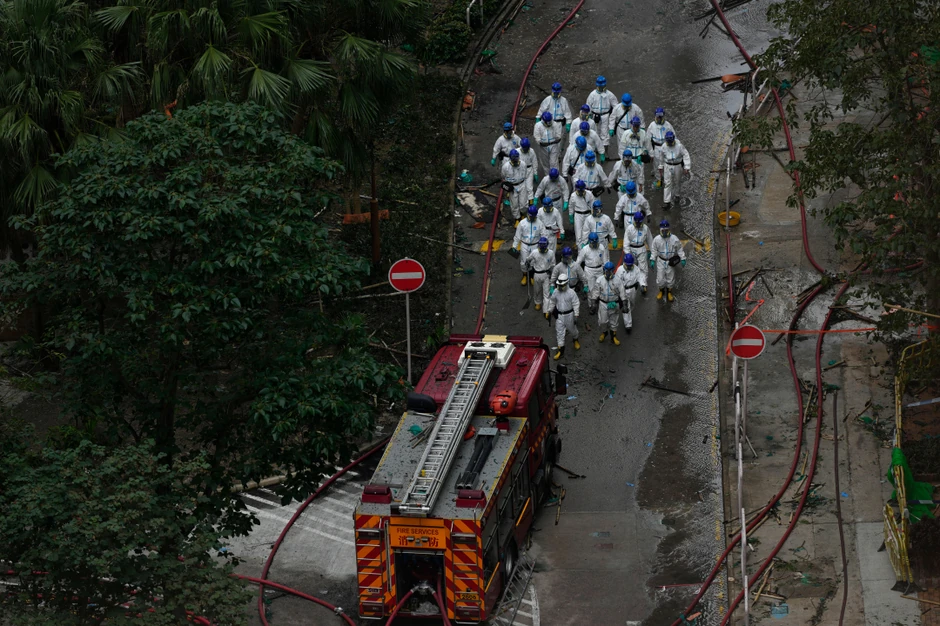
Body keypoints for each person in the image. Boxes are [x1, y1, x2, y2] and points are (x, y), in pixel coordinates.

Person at [591, 261, 627, 345]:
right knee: (603, 321)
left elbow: (622, 292)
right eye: (606, 271)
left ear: (613, 271)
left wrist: (624, 305)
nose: (607, 273)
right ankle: (604, 332)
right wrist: (593, 303)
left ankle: (613, 336)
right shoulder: (600, 280)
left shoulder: (618, 280)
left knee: (614, 321)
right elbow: (596, 292)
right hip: (603, 304)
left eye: (609, 271)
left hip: (614, 303)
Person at [650, 219, 686, 301]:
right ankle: (661, 290)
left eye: (666, 230)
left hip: (670, 261)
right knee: (660, 278)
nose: (665, 232)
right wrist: (652, 259)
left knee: (670, 277)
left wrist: (683, 258)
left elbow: (679, 248)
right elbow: (654, 250)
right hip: (660, 261)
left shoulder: (674, 239)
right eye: (663, 230)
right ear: (660, 230)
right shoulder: (656, 239)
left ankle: (669, 292)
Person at [656, 131, 691, 210]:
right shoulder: (664, 146)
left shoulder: (679, 146)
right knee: (667, 183)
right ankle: (667, 201)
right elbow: (661, 157)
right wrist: (660, 166)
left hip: (677, 165)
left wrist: (687, 167)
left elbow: (686, 155)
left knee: (677, 181)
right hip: (668, 165)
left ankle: (677, 195)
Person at [547, 276, 580, 360]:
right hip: (559, 316)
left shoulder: (571, 292)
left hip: (569, 315)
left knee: (572, 329)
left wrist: (576, 315)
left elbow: (576, 303)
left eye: (562, 285)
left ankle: (575, 339)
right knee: (559, 333)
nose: (560, 287)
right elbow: (552, 301)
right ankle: (561, 350)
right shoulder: (555, 291)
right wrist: (549, 311)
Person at [512, 205, 547, 284]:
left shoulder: (539, 223)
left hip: (535, 245)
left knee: (533, 261)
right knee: (524, 261)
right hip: (525, 244)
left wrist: (543, 243)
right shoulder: (522, 223)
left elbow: (544, 234)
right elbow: (517, 236)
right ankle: (524, 275)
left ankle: (531, 276)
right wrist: (514, 246)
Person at [618, 117, 652, 193]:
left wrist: (648, 154)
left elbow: (648, 146)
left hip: (639, 160)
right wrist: (623, 160)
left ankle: (640, 194)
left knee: (640, 177)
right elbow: (621, 148)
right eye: (634, 126)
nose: (636, 128)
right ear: (632, 125)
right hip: (628, 160)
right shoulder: (626, 134)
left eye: (637, 126)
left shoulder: (643, 133)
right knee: (628, 177)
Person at [586, 76, 618, 155]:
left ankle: (605, 152)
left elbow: (616, 106)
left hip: (605, 116)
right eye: (600, 86)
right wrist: (588, 115)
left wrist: (614, 117)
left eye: (602, 86)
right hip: (594, 116)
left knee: (605, 134)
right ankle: (594, 150)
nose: (601, 87)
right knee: (594, 133)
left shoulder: (609, 94)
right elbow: (588, 105)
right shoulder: (592, 95)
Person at [624, 211, 652, 294]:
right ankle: (631, 282)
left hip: (641, 249)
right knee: (630, 267)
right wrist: (627, 253)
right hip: (631, 250)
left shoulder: (645, 228)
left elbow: (650, 240)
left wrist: (651, 251)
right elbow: (626, 241)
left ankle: (643, 284)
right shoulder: (629, 228)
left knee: (643, 268)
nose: (639, 224)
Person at [647, 107, 675, 187]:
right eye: (658, 116)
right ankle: (658, 179)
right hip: (656, 147)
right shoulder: (652, 125)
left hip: (666, 147)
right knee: (656, 164)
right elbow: (648, 140)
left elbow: (674, 136)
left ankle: (667, 178)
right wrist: (650, 152)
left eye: (661, 116)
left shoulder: (668, 125)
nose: (659, 118)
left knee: (666, 163)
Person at [614, 252, 641, 332]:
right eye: (628, 265)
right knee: (626, 306)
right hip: (624, 290)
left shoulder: (636, 268)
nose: (629, 267)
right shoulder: (620, 270)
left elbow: (640, 276)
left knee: (632, 304)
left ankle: (628, 313)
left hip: (633, 290)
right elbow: (617, 282)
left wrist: (643, 285)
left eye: (630, 265)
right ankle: (628, 325)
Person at [501, 149, 529, 224]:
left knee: (523, 203)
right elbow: (503, 176)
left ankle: (523, 214)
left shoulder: (523, 164)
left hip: (522, 184)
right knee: (514, 204)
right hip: (512, 187)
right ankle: (517, 218)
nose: (515, 160)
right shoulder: (505, 167)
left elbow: (525, 173)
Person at [530, 236, 556, 311]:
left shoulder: (551, 253)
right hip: (537, 274)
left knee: (546, 292)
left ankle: (546, 309)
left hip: (546, 274)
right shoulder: (534, 252)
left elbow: (553, 264)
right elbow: (529, 260)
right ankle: (538, 302)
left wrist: (552, 275)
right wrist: (528, 263)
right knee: (537, 290)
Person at [579, 232, 607, 298]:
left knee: (601, 287)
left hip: (599, 269)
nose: (594, 244)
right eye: (593, 243)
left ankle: (600, 303)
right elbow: (578, 262)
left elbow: (605, 260)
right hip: (589, 270)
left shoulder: (601, 247)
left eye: (595, 243)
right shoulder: (585, 249)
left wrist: (606, 269)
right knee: (590, 289)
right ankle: (591, 305)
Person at [519, 137, 538, 204]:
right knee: (521, 187)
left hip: (529, 170)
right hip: (520, 170)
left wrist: (535, 173)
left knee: (529, 187)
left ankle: (531, 203)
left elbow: (534, 162)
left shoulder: (531, 151)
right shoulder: (517, 152)